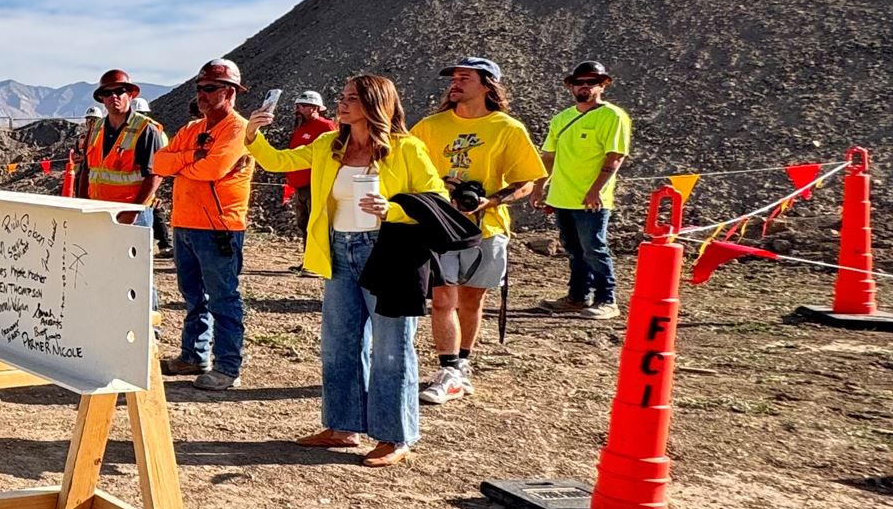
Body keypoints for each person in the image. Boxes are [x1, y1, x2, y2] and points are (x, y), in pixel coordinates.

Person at [248, 76, 449, 467]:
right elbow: (279, 162)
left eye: (352, 99)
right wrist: (253, 135)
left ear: (376, 104)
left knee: (391, 349)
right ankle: (342, 427)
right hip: (339, 250)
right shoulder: (329, 145)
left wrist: (392, 210)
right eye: (341, 98)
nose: (341, 104)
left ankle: (395, 437)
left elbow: (434, 199)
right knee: (339, 344)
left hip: (388, 253)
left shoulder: (407, 148)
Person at [410, 59, 546, 404]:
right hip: (440, 227)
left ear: (487, 85)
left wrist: (489, 201)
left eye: (464, 78)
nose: (454, 84)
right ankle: (449, 369)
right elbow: (404, 162)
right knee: (443, 299)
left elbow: (527, 182)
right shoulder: (429, 126)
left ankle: (463, 363)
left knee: (471, 301)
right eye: (453, 78)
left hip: (487, 229)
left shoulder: (507, 128)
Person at [149, 59, 255, 391]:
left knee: (223, 297)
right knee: (194, 296)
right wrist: (188, 160)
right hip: (186, 225)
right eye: (200, 88)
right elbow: (159, 163)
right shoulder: (193, 129)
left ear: (231, 92)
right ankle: (193, 355)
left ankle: (227, 366)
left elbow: (214, 169)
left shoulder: (239, 130)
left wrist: (183, 162)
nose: (202, 94)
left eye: (210, 88)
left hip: (219, 228)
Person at [538, 60, 631, 320]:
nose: (585, 87)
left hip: (591, 199)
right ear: (571, 86)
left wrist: (595, 191)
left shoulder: (613, 116)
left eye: (591, 82)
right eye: (580, 82)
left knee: (594, 248)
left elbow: (614, 157)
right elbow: (549, 157)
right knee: (575, 249)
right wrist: (540, 188)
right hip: (562, 196)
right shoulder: (562, 118)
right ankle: (577, 297)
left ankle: (607, 299)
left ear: (602, 85)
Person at [79, 70, 169, 221]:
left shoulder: (145, 129)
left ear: (130, 95)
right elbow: (86, 170)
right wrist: (82, 204)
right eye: (107, 93)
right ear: (102, 98)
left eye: (120, 91)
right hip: (98, 211)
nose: (113, 96)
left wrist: (133, 211)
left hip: (133, 214)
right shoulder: (95, 129)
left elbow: (155, 175)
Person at [279, 91, 337, 266]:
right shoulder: (301, 128)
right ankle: (309, 261)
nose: (298, 109)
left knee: (316, 225)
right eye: (297, 106)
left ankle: (319, 262)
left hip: (315, 185)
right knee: (304, 224)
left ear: (315, 108)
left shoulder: (326, 127)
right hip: (300, 186)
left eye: (302, 106)